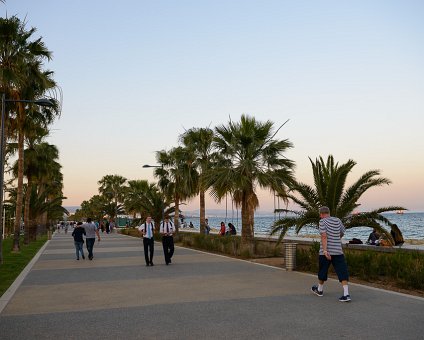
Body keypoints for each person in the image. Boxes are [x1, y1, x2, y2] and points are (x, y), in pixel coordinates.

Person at [311, 206, 351, 302]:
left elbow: (324, 236)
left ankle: (320, 290)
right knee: (342, 271)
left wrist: (325, 251)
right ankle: (346, 294)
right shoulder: (337, 220)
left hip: (325, 252)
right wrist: (336, 239)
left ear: (321, 214)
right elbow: (342, 232)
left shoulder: (322, 221)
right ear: (328, 212)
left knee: (323, 270)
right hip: (337, 250)